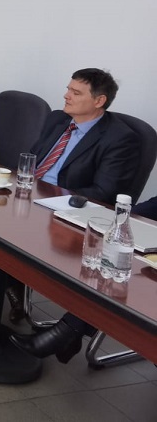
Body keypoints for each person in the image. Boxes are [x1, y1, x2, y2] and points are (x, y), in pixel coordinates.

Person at [8, 69, 141, 363]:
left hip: (65, 212)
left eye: (76, 92)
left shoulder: (121, 138)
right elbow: (32, 160)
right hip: (30, 199)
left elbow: (103, 193)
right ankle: (8, 286)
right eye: (68, 89)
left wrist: (48, 197)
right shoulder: (58, 120)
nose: (66, 96)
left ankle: (58, 325)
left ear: (99, 101)